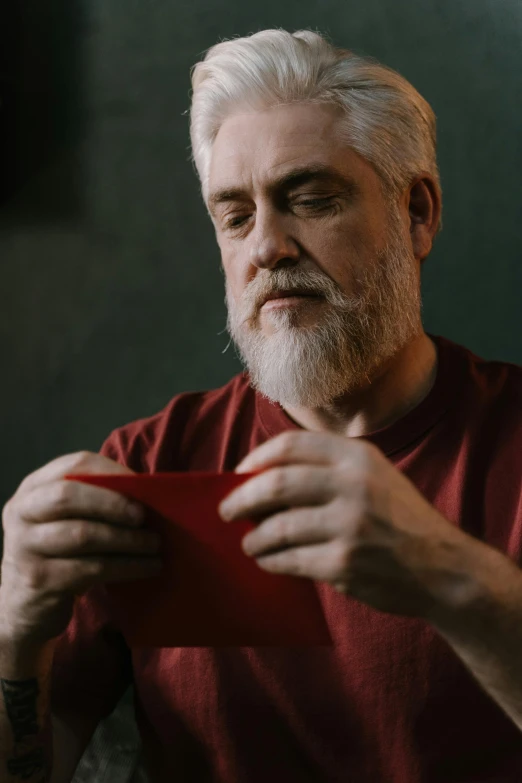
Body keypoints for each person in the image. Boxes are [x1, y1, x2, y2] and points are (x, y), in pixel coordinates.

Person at [1, 27, 521, 783]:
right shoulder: (149, 466)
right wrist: (16, 629)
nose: (266, 248)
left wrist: (445, 574)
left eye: (310, 199)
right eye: (234, 215)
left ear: (418, 214)